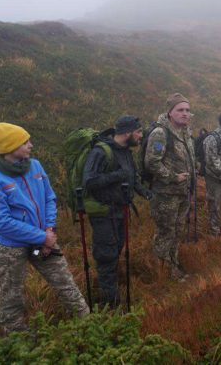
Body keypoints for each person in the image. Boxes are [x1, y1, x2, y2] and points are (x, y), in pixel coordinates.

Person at [0, 122, 89, 334]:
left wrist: (48, 230)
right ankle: (18, 344)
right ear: (11, 147)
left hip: (45, 240)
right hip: (10, 249)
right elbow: (2, 223)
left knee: (65, 283)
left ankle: (88, 325)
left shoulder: (36, 166)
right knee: (11, 298)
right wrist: (42, 236)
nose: (31, 145)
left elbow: (50, 198)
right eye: (25, 142)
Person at [83, 115, 152, 306]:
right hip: (104, 213)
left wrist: (144, 192)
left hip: (121, 211)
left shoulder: (126, 151)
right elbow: (89, 181)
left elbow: (132, 177)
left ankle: (110, 293)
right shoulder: (100, 152)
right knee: (106, 256)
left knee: (115, 251)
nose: (141, 135)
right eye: (138, 132)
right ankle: (111, 306)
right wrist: (116, 176)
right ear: (128, 132)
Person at [144, 93, 196, 281]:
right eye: (180, 110)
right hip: (166, 194)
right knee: (165, 232)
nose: (185, 114)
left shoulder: (186, 132)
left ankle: (173, 266)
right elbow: (152, 162)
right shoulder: (160, 133)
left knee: (177, 230)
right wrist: (174, 177)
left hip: (182, 193)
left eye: (188, 110)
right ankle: (162, 272)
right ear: (170, 112)